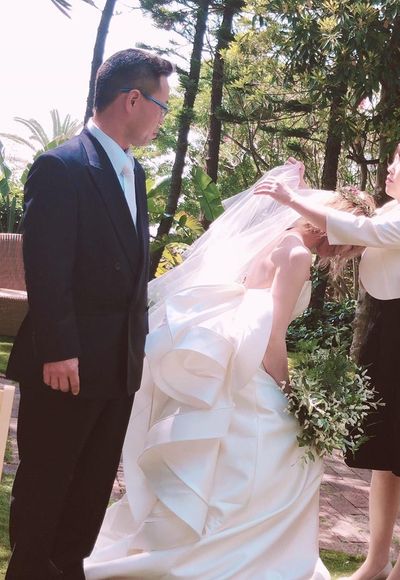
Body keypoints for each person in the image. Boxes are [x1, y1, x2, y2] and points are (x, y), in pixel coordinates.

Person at [83, 162, 375, 579]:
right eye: (349, 246)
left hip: (235, 367)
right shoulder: (296, 256)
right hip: (252, 373)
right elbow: (271, 337)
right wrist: (293, 396)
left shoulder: (277, 239)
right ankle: (240, 562)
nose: (343, 255)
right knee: (295, 459)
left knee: (255, 466)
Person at [255, 135, 400, 580]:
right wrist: (301, 190)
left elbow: (362, 232)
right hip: (385, 333)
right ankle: (375, 563)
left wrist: (291, 198)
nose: (390, 169)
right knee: (381, 459)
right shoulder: (392, 210)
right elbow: (347, 222)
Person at [6, 48, 174, 579]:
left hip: (116, 368)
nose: (164, 118)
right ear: (132, 100)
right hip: (66, 368)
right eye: (162, 106)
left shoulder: (134, 174)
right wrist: (59, 350)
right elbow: (47, 268)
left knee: (88, 496)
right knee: (46, 493)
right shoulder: (61, 166)